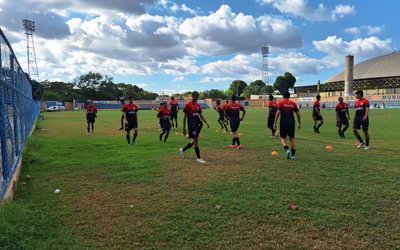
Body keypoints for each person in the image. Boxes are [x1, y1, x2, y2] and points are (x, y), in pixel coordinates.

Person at [179, 91, 210, 163]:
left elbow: (201, 115)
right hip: (192, 125)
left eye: (197, 97)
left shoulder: (198, 105)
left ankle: (183, 150)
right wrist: (184, 128)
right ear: (192, 96)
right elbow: (184, 117)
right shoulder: (188, 105)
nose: (197, 98)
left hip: (198, 124)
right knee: (196, 141)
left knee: (194, 141)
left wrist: (206, 122)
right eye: (196, 97)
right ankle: (199, 158)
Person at [273, 92, 301, 160]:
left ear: (283, 96)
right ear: (289, 96)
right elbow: (298, 113)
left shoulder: (281, 103)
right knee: (292, 138)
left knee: (282, 137)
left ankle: (287, 150)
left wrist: (274, 123)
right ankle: (293, 155)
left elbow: (278, 113)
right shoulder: (293, 104)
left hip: (283, 123)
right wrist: (299, 123)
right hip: (291, 123)